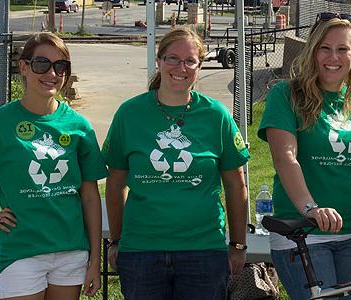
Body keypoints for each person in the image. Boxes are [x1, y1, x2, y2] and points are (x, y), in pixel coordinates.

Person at [102, 27, 250, 300]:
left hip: (203, 250)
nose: (180, 67)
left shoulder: (216, 116)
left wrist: (238, 244)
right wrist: (116, 240)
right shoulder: (130, 113)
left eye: (190, 61)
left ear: (199, 66)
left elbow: (235, 184)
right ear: (158, 61)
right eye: (172, 58)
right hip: (141, 251)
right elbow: (115, 183)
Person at [257, 12, 351, 300]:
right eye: (324, 48)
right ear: (312, 51)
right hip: (303, 232)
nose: (333, 57)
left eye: (343, 49)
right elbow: (285, 157)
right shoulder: (287, 95)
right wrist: (310, 208)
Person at [0, 32, 106, 299]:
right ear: (24, 67)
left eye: (61, 66)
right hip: (21, 250)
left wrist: (94, 260)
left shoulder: (79, 126)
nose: (52, 73)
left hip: (71, 251)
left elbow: (89, 196)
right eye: (42, 63)